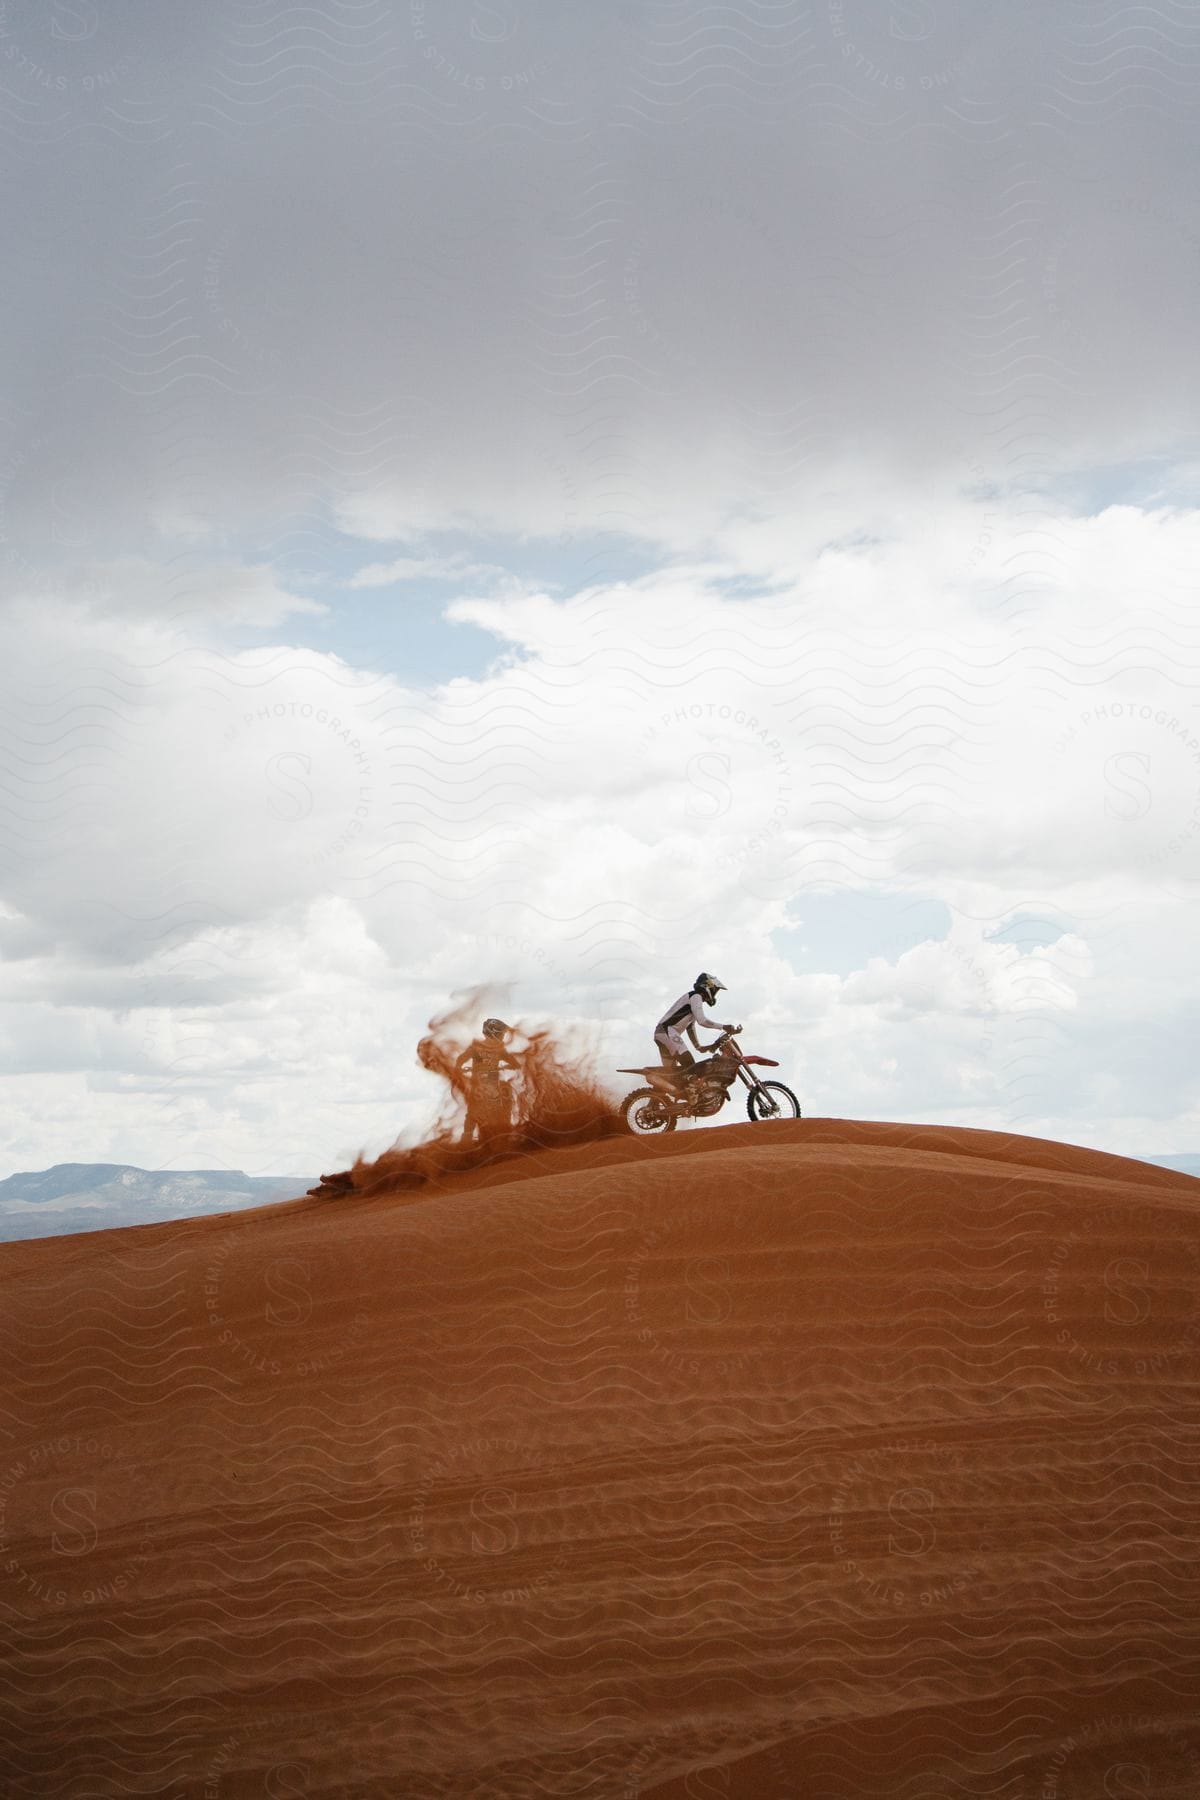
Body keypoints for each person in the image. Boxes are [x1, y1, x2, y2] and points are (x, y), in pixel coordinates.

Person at [653, 974, 741, 1089]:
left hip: (662, 1034)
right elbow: (702, 1021)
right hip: (666, 1031)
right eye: (715, 990)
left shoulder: (694, 999)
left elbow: (690, 1027)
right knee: (689, 1064)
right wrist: (723, 1027)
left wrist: (698, 1047)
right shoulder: (696, 996)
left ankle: (655, 1102)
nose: (714, 994)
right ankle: (690, 1093)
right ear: (708, 986)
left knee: (671, 1074)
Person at [456, 1018, 520, 1143]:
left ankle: (466, 1139)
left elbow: (461, 1059)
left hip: (478, 1085)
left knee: (473, 1111)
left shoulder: (477, 1047)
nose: (502, 1036)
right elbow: (515, 1063)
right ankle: (502, 1136)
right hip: (490, 1086)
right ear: (495, 1033)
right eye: (501, 1033)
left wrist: (460, 1068)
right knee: (501, 1106)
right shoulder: (499, 1049)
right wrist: (510, 1065)